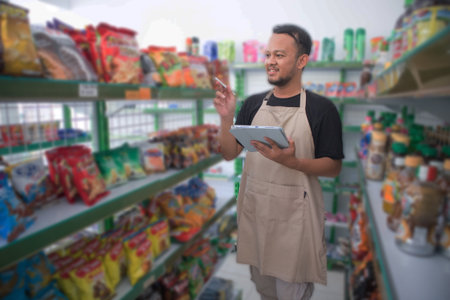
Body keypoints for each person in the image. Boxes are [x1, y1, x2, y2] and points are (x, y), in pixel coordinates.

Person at [213, 24, 344, 300]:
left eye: (280, 55)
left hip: (295, 223)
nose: (270, 61)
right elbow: (229, 153)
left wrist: (294, 162)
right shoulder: (252, 104)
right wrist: (226, 118)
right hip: (257, 215)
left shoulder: (321, 109)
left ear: (301, 61)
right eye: (268, 54)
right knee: (265, 291)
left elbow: (333, 167)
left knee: (291, 293)